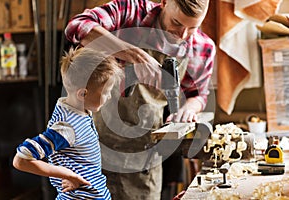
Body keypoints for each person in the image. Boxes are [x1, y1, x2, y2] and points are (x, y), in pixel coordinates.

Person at [65, 0, 216, 199]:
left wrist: (189, 108)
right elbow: (78, 26)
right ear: (164, 3)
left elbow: (198, 94)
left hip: (142, 162)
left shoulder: (202, 47)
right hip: (92, 153)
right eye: (177, 23)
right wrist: (132, 54)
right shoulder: (131, 12)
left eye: (193, 28)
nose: (182, 35)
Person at [12, 46, 123, 199]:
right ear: (82, 94)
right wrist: (67, 175)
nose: (109, 96)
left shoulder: (79, 110)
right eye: (106, 92)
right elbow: (21, 160)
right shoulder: (67, 127)